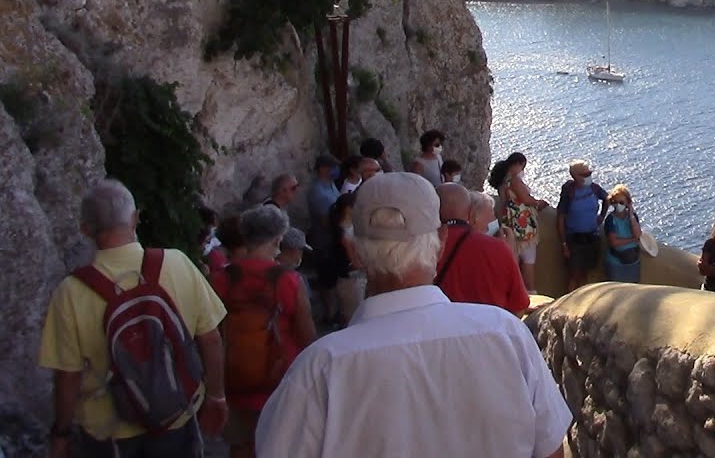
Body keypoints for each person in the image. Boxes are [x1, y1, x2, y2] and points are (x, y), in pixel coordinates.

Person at [254, 172, 572, 458]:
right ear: (441, 240)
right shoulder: (506, 334)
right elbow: (550, 449)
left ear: (357, 252)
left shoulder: (319, 369)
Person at [39, 180, 228, 458]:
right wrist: (216, 395)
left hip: (109, 432)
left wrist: (61, 433)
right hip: (175, 415)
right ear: (136, 217)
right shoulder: (176, 263)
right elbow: (210, 338)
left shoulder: (70, 293)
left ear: (85, 230)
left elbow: (68, 377)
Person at [213, 205, 316, 458]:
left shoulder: (220, 279)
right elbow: (307, 338)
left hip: (234, 380)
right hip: (279, 382)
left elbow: (212, 334)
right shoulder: (288, 280)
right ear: (279, 238)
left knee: (240, 447)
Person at [433, 184, 529, 314]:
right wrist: (511, 254)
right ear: (471, 215)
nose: (494, 220)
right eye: (491, 214)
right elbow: (519, 305)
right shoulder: (497, 249)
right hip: (489, 330)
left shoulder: (422, 246)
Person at [488, 152, 548, 292]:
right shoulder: (514, 181)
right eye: (523, 167)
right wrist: (539, 203)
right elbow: (526, 199)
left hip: (508, 224)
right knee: (528, 262)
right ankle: (531, 294)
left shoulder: (502, 182)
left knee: (513, 264)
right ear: (518, 164)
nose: (523, 171)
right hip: (523, 226)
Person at [557, 160, 608, 292]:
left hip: (592, 237)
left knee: (586, 273)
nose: (588, 177)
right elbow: (561, 218)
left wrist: (602, 216)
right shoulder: (569, 193)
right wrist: (564, 244)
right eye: (584, 174)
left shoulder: (594, 189)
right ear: (575, 176)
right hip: (575, 240)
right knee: (574, 274)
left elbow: (607, 199)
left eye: (589, 173)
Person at [306, 154, 341, 325]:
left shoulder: (330, 185)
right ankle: (329, 314)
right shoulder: (317, 191)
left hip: (332, 239)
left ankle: (333, 312)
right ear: (322, 169)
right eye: (331, 167)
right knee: (326, 280)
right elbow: (325, 220)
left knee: (332, 278)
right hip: (323, 240)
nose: (335, 170)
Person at [329, 193, 364, 325]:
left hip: (357, 277)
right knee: (352, 316)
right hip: (350, 279)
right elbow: (354, 261)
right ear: (348, 209)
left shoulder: (350, 226)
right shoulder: (342, 233)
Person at [602, 184, 642, 283]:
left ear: (627, 202)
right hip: (617, 264)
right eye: (614, 202)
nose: (618, 205)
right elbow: (614, 242)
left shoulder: (632, 217)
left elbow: (637, 234)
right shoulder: (611, 220)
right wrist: (632, 240)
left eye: (621, 202)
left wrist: (631, 215)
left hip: (633, 263)